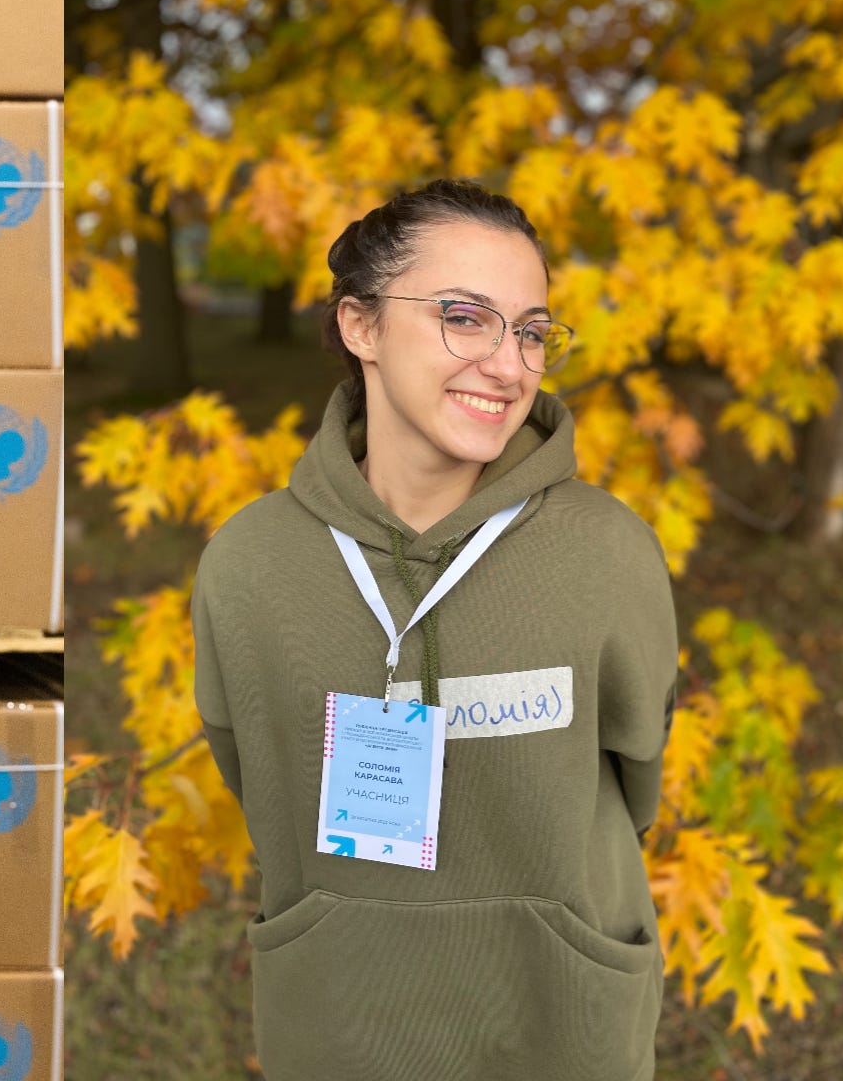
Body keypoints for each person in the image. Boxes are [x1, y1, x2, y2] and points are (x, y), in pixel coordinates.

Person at [192, 179, 678, 1080]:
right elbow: (259, 777)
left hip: (558, 1016)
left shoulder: (607, 552)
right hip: (341, 1018)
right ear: (361, 327)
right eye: (466, 317)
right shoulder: (248, 564)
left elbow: (635, 774)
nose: (508, 363)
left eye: (531, 331)